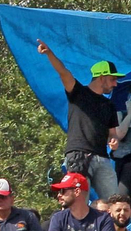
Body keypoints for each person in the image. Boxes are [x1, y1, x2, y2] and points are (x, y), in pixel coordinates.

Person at [40, 40, 123, 201]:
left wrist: (114, 140)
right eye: (113, 79)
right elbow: (63, 72)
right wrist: (49, 53)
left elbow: (113, 134)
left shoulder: (109, 105)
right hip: (78, 155)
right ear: (101, 77)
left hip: (103, 159)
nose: (115, 83)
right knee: (78, 201)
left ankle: (109, 226)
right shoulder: (78, 93)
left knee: (115, 203)